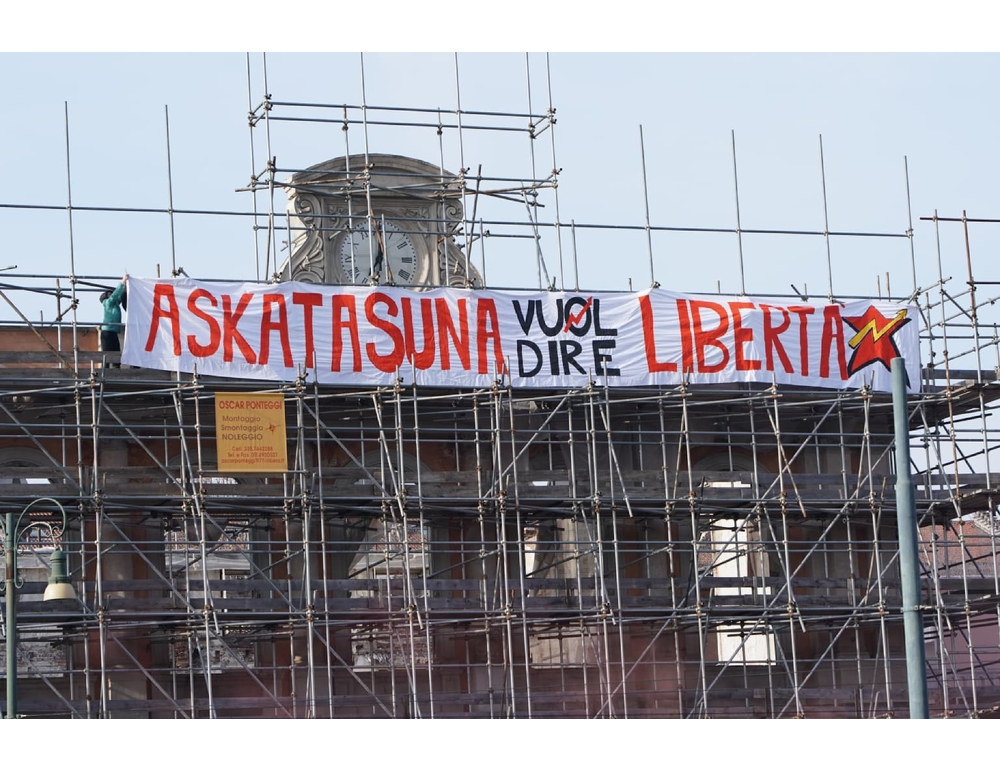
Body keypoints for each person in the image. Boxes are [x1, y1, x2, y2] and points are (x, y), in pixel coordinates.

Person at [100, 274, 128, 367]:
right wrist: (122, 282)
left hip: (113, 332)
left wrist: (125, 288)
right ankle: (106, 373)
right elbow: (115, 295)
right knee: (107, 356)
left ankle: (116, 371)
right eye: (108, 294)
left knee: (116, 354)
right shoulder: (108, 303)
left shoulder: (115, 304)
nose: (111, 294)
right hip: (107, 331)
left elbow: (119, 297)